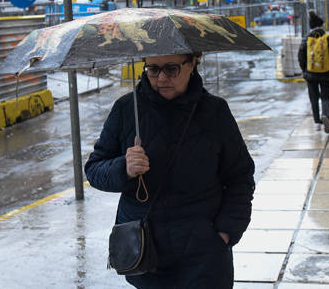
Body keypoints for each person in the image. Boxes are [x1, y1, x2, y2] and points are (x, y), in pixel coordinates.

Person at [85, 53, 255, 288]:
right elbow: (94, 170)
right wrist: (123, 167)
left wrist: (225, 232)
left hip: (204, 255)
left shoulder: (215, 112)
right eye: (153, 69)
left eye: (171, 69)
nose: (162, 78)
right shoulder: (126, 109)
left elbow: (240, 176)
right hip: (146, 252)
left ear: (192, 63)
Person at [298, 11, 329, 133]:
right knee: (326, 95)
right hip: (326, 73)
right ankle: (326, 114)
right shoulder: (328, 38)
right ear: (321, 26)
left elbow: (301, 56)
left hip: (311, 73)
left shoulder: (307, 39)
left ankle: (316, 121)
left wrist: (305, 70)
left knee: (313, 96)